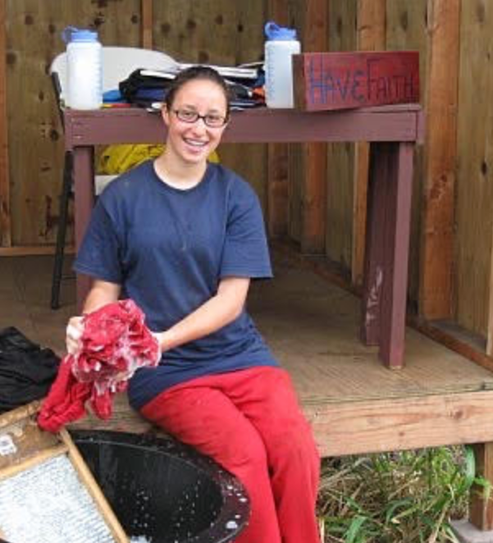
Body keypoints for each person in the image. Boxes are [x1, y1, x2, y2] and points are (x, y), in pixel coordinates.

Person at [66, 65, 321, 543]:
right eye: (187, 113)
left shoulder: (235, 197)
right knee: (242, 453)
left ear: (225, 126)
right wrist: (90, 324)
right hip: (165, 372)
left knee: (295, 446)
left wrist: (161, 338)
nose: (198, 129)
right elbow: (105, 287)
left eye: (212, 118)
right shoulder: (122, 198)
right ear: (165, 114)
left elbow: (231, 301)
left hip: (238, 354)